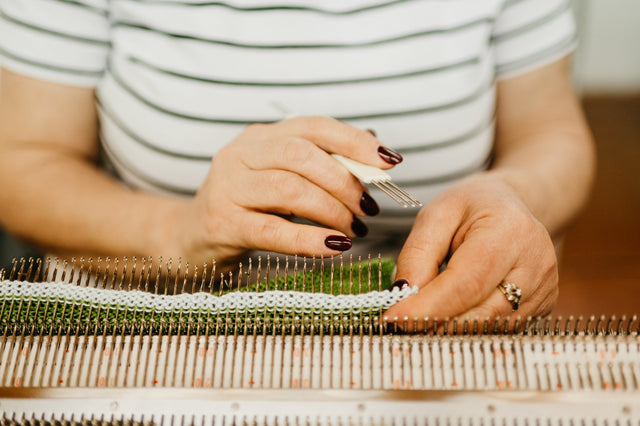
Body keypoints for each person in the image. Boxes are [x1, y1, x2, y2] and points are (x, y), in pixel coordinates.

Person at [0, 0, 595, 324]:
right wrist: (181, 234)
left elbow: (550, 130)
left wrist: (517, 197)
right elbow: (21, 162)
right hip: (157, 331)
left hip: (438, 334)